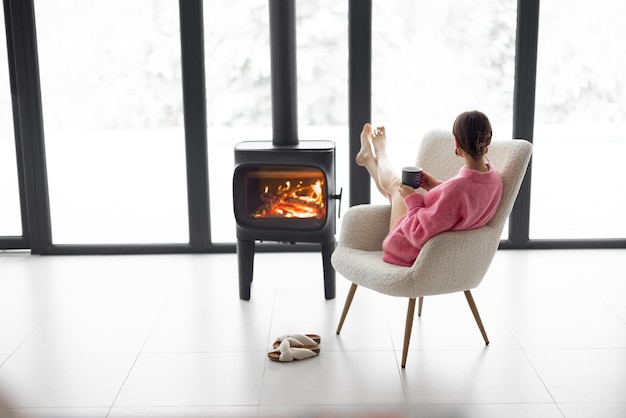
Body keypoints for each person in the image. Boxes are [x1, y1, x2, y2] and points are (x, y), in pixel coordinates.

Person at [355, 110, 503, 266]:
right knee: (396, 193)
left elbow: (419, 234)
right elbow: (460, 206)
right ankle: (368, 159)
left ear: (457, 144)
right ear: (488, 142)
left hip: (411, 251)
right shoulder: (494, 180)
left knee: (396, 187)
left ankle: (381, 153)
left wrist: (411, 198)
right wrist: (436, 186)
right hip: (447, 255)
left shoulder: (458, 189)